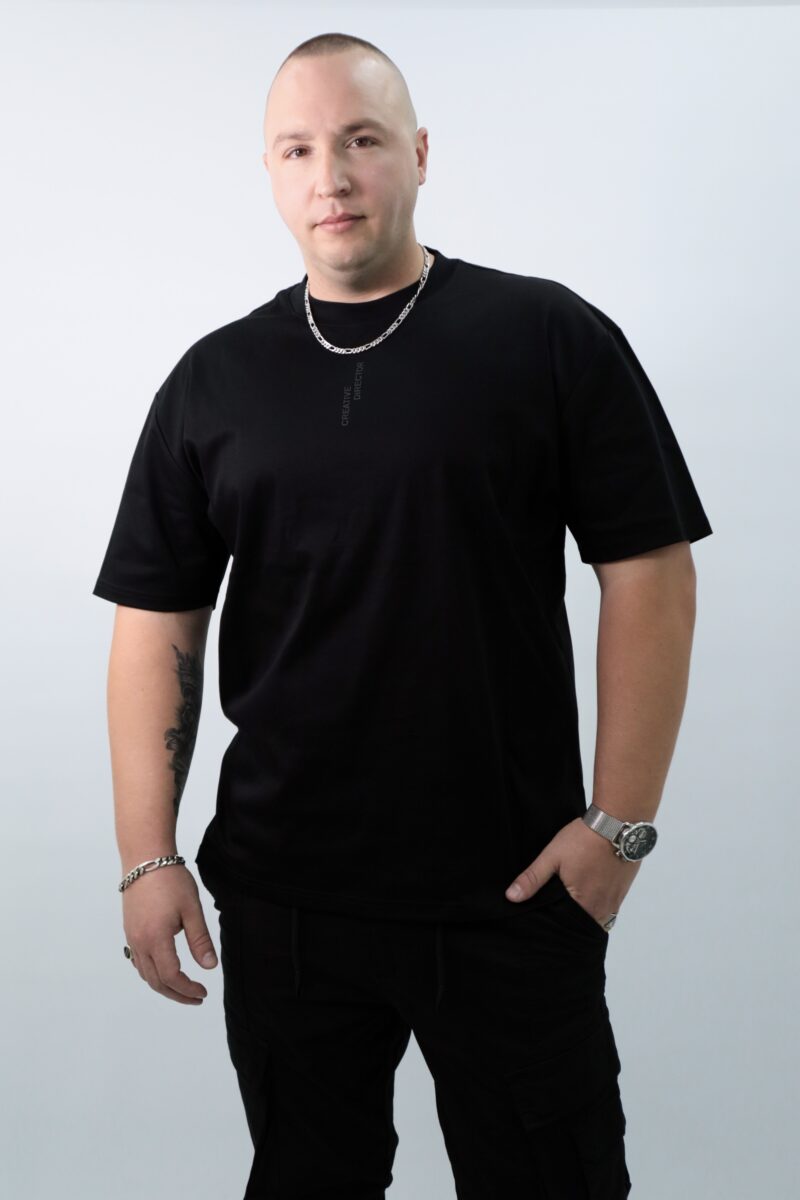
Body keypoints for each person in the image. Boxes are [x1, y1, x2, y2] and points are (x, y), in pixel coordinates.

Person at [93, 30, 713, 1200]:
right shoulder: (214, 380)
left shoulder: (545, 336)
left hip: (512, 888)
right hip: (285, 899)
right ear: (269, 172)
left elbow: (648, 571)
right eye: (297, 148)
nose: (330, 175)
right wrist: (146, 856)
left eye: (362, 140)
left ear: (418, 154)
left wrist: (616, 828)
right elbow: (156, 619)